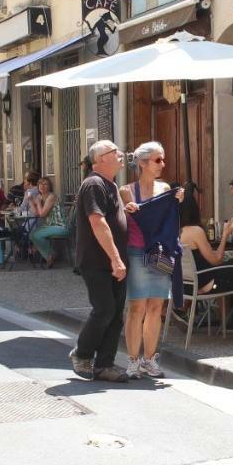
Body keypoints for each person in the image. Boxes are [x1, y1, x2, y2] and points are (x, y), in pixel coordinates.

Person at [120, 142, 184, 379]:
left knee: (156, 307)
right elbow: (122, 222)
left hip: (162, 252)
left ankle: (149, 359)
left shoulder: (165, 188)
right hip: (137, 252)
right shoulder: (126, 190)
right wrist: (127, 209)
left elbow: (169, 219)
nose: (162, 164)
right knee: (137, 306)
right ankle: (133, 361)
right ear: (143, 163)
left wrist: (176, 200)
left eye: (163, 159)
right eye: (158, 160)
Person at [69, 140, 131, 383]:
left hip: (113, 261)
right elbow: (98, 222)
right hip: (97, 260)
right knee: (104, 309)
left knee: (115, 314)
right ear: (99, 160)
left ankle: (104, 365)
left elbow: (112, 218)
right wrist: (115, 259)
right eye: (114, 152)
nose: (121, 154)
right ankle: (82, 354)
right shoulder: (94, 183)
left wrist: (128, 209)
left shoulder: (111, 185)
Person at [178, 195, 233, 293]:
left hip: (184, 286)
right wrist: (225, 235)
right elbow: (217, 261)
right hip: (205, 284)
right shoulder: (195, 231)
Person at [29, 176, 69, 268]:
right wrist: (31, 201)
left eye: (45, 184)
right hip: (50, 226)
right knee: (32, 234)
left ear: (50, 187)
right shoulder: (40, 196)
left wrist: (38, 203)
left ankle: (50, 255)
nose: (42, 186)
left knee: (36, 235)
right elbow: (36, 213)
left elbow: (42, 214)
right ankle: (50, 255)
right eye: (40, 184)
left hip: (60, 226)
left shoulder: (51, 196)